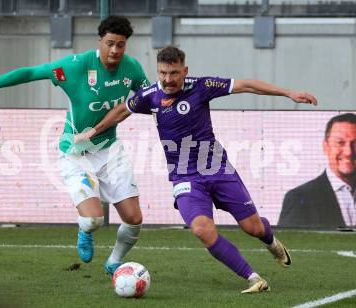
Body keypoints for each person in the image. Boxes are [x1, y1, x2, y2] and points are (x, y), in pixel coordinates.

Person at [75, 45, 318, 293]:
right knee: (202, 229)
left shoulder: (201, 86)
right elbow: (120, 111)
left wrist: (289, 93)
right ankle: (254, 278)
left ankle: (271, 242)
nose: (168, 80)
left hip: (218, 169)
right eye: (163, 73)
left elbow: (247, 85)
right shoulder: (150, 95)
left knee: (252, 227)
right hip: (184, 177)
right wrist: (94, 131)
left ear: (185, 71)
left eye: (174, 73)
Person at [0, 16, 150, 275]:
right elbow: (32, 73)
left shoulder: (132, 68)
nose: (114, 50)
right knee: (93, 219)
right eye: (110, 43)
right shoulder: (75, 66)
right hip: (77, 154)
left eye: (120, 45)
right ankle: (85, 229)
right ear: (99, 41)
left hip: (110, 151)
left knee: (134, 220)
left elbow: (150, 97)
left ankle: (113, 262)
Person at [279, 113, 356, 228]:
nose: (349, 151)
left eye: (355, 143)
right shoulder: (299, 198)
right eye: (340, 143)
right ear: (326, 147)